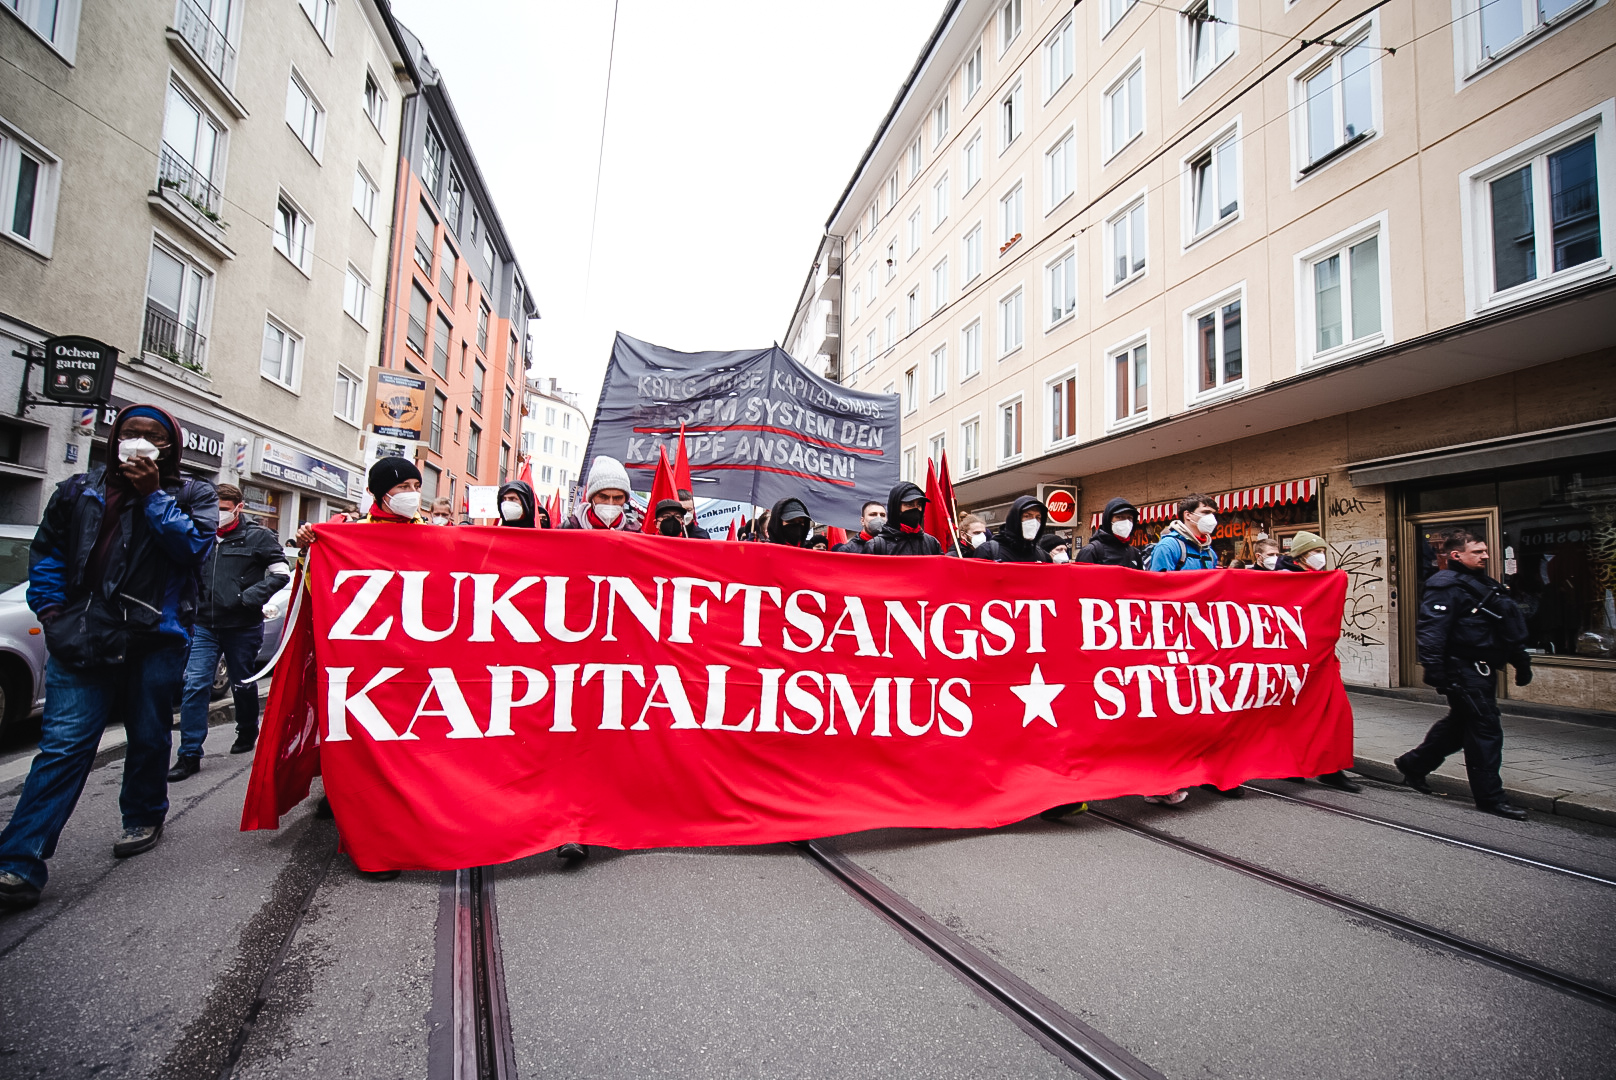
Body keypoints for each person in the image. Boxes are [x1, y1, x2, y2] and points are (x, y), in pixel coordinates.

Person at [0, 406, 216, 910]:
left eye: (153, 437)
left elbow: (192, 548)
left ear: (170, 448)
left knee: (147, 735)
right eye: (131, 434)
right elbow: (48, 553)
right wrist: (52, 612)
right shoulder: (79, 491)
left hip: (153, 640)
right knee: (64, 747)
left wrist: (152, 496)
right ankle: (18, 861)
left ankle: (143, 814)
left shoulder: (191, 494)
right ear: (114, 438)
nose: (139, 443)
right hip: (82, 640)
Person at [1395, 530, 1532, 820]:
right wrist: (1436, 672)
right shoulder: (1445, 585)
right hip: (1463, 669)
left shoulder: (1484, 583)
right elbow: (1432, 632)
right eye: (1477, 551)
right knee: (1485, 729)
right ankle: (1491, 798)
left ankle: (1413, 764)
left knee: (1460, 725)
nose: (1484, 555)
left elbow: (1505, 625)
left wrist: (1521, 661)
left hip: (1482, 668)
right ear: (1456, 555)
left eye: (1485, 551)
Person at [170, 484, 290, 781]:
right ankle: (189, 753)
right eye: (214, 509)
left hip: (242, 625)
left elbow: (280, 573)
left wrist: (247, 598)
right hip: (204, 625)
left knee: (242, 682)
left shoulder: (259, 537)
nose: (217, 515)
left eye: (223, 509)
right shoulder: (200, 534)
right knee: (195, 684)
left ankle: (247, 729)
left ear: (238, 508)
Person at [1255, 531, 1363, 794]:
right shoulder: (1281, 580)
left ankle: (1331, 767)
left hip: (1321, 659)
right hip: (1290, 660)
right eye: (1315, 552)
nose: (1320, 557)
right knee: (1291, 715)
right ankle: (1293, 766)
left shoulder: (1321, 579)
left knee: (1334, 714)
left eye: (1322, 551)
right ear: (1301, 556)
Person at [562, 456, 642, 532]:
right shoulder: (567, 529)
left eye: (617, 498)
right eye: (603, 497)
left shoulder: (635, 533)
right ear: (591, 498)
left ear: (625, 500)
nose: (610, 503)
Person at [866, 482, 943, 556]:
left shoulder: (931, 543)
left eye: (919, 504)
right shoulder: (876, 546)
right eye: (909, 504)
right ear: (896, 508)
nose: (916, 509)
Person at [1147, 494, 1220, 572]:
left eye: (1213, 514)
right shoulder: (1168, 546)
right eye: (1206, 512)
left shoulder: (1209, 552)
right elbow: (1160, 582)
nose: (1211, 517)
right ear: (1187, 515)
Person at [976, 496, 1052, 563]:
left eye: (1038, 517)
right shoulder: (988, 551)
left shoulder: (1043, 556)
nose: (1034, 521)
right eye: (1027, 516)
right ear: (1015, 519)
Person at [1074, 498, 1143, 568]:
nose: (1126, 522)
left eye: (1129, 518)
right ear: (1108, 520)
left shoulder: (1135, 554)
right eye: (1119, 517)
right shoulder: (1091, 551)